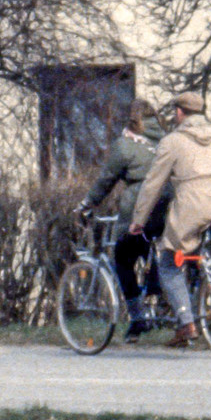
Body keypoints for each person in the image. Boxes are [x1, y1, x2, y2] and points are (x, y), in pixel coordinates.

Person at [129, 92, 211, 347]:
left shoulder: (172, 142)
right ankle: (186, 320)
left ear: (179, 112)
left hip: (193, 206)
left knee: (168, 263)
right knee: (197, 258)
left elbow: (153, 183)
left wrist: (138, 219)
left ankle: (188, 323)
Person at [76, 98, 167, 340]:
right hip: (169, 203)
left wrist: (87, 205)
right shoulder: (167, 140)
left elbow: (106, 179)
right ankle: (157, 287)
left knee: (123, 257)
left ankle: (137, 320)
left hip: (141, 204)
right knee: (151, 244)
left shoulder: (126, 143)